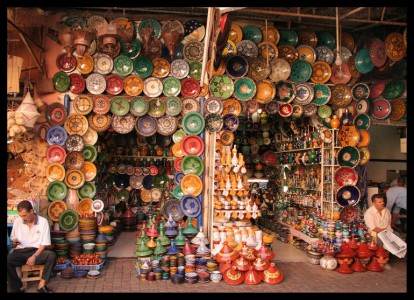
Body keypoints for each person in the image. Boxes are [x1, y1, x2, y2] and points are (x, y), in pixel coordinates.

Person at [7, 200, 56, 293]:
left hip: (36, 251)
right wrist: (14, 241)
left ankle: (41, 285)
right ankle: (17, 287)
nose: (22, 218)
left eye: (24, 215)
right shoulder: (18, 221)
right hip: (21, 251)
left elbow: (44, 244)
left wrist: (34, 256)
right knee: (8, 260)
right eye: (20, 215)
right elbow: (13, 238)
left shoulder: (43, 222)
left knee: (51, 256)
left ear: (31, 211)